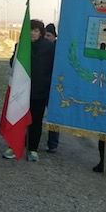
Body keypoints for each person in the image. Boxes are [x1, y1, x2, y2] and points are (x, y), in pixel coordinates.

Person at [3, 19, 55, 161]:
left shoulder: (49, 48)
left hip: (39, 91)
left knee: (36, 121)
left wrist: (46, 82)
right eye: (30, 30)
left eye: (36, 31)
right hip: (21, 90)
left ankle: (32, 149)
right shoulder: (20, 45)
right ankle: (13, 146)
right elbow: (13, 63)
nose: (33, 33)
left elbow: (52, 68)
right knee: (18, 118)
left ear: (41, 33)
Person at [44, 23, 60, 152]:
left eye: (48, 35)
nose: (46, 37)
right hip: (40, 86)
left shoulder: (59, 49)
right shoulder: (41, 47)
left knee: (54, 117)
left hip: (53, 88)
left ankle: (53, 143)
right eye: (44, 35)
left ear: (54, 36)